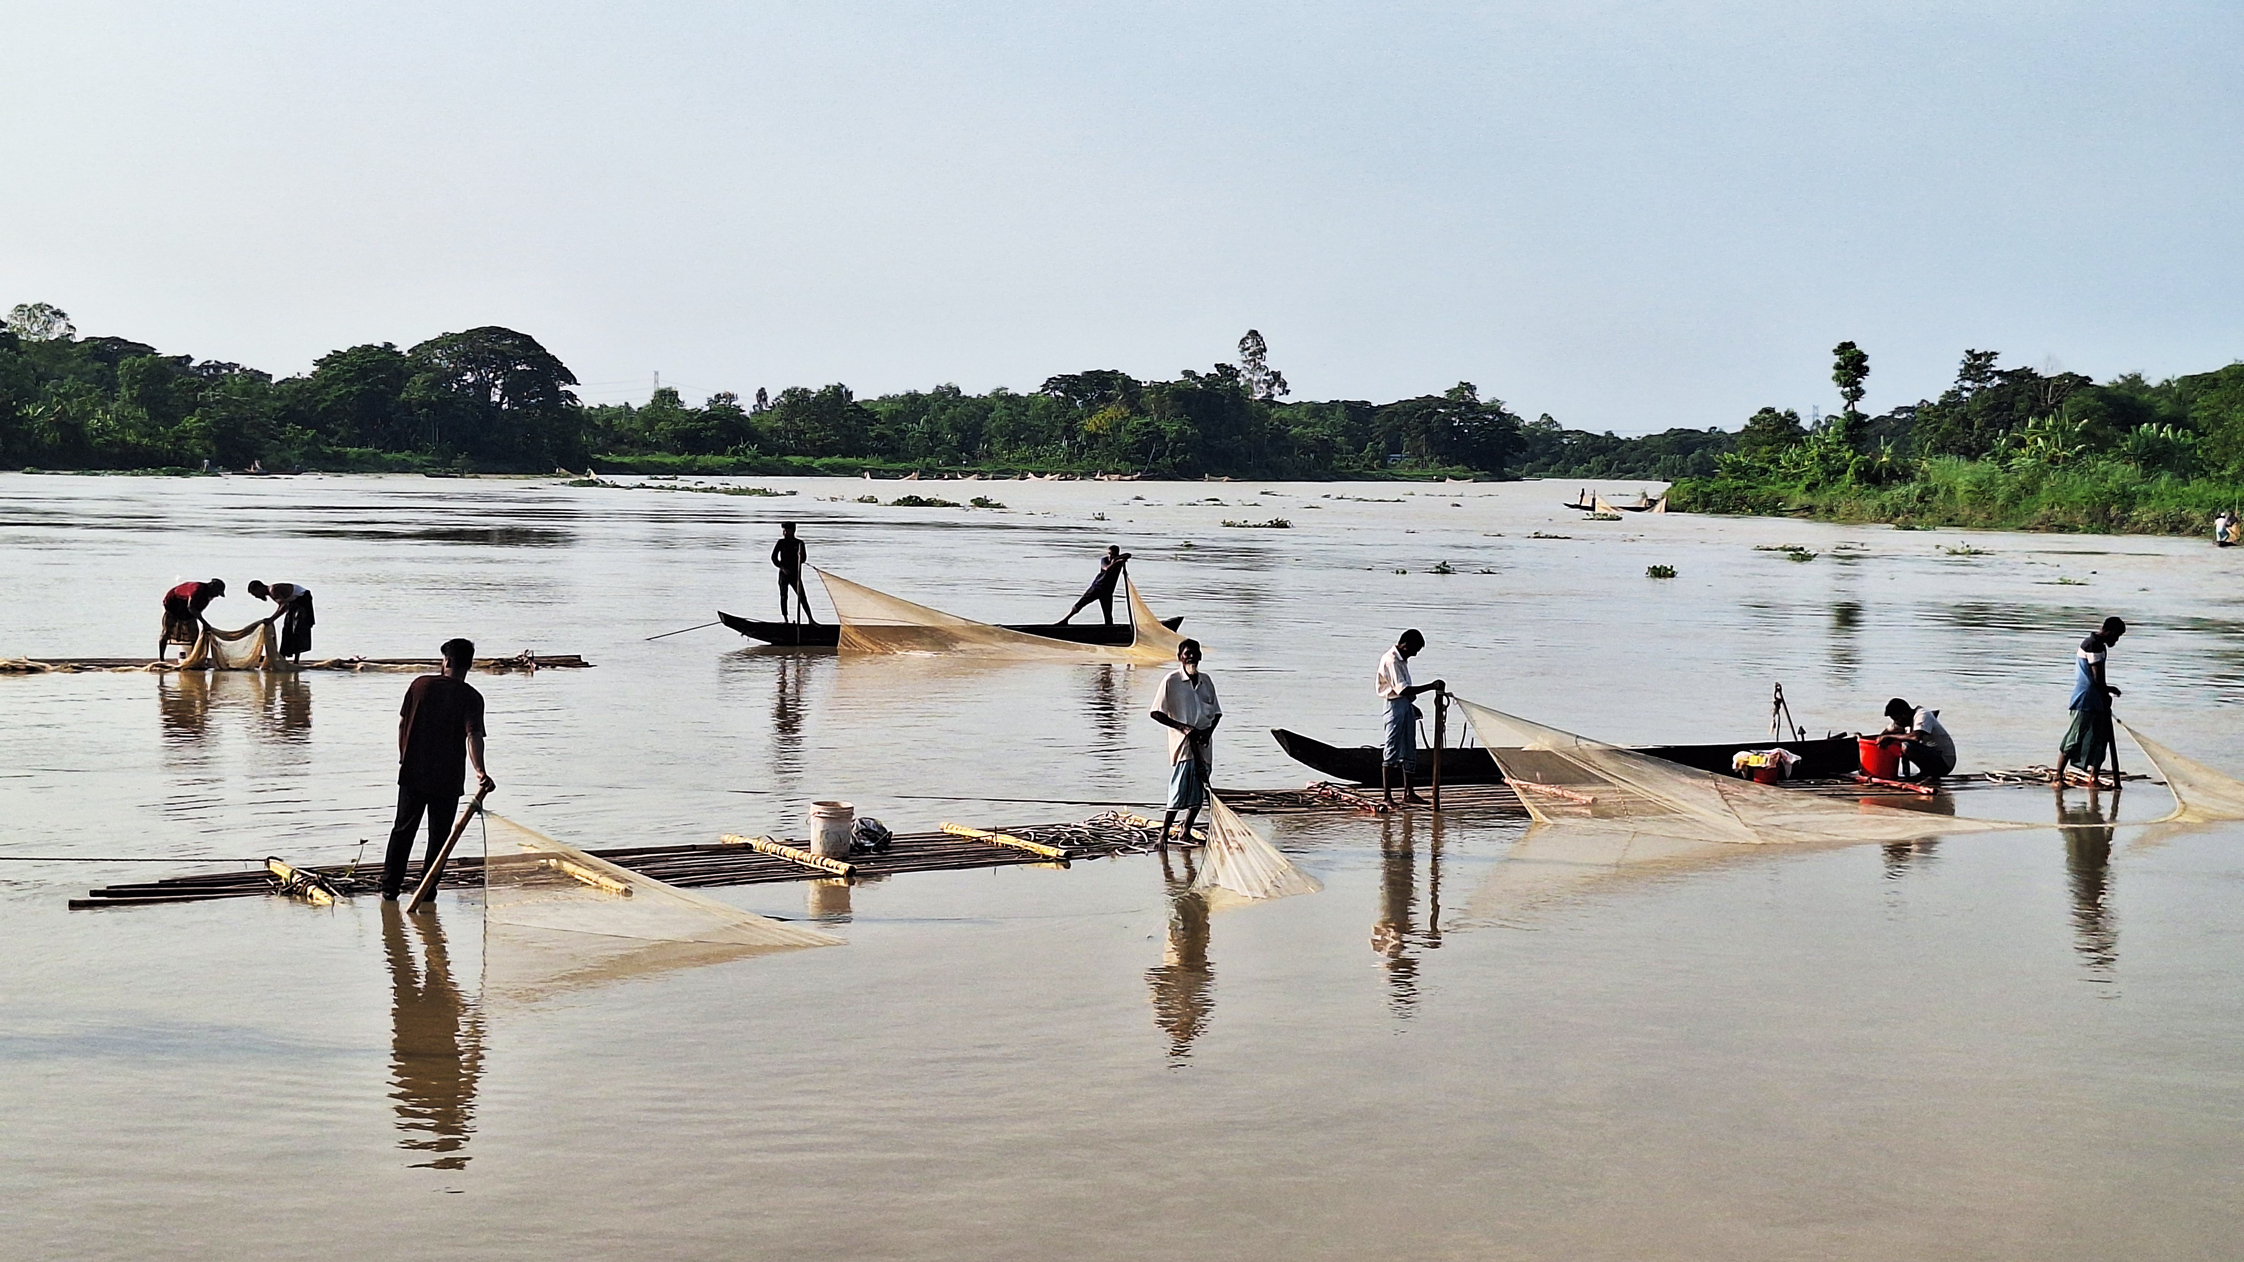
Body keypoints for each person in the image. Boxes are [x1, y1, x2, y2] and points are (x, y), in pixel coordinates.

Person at [382, 638, 496, 901]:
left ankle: (389, 889)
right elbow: (474, 736)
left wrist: (403, 756)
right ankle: (428, 891)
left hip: (413, 771)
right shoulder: (472, 697)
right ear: (468, 665)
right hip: (448, 778)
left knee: (403, 830)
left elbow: (402, 723)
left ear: (447, 661)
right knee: (440, 837)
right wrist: (480, 770)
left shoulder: (420, 685)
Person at [1150, 639, 1220, 845]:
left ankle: (1186, 830)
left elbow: (1216, 713)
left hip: (1203, 743)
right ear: (1179, 657)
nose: (1191, 657)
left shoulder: (1206, 681)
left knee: (1201, 786)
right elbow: (1156, 712)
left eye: (1194, 653)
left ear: (1200, 656)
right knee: (1179, 788)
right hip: (1183, 745)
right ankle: (1163, 833)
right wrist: (1183, 728)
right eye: (1187, 653)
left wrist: (1207, 733)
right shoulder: (1171, 680)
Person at [1375, 629, 1445, 806]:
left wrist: (1411, 706)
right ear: (1405, 645)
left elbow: (1403, 691)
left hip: (1404, 705)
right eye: (1415, 649)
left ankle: (1409, 793)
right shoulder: (1392, 660)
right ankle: (1387, 797)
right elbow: (1402, 690)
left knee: (1409, 748)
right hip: (1394, 707)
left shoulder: (1401, 659)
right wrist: (1431, 686)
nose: (1415, 654)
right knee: (1391, 749)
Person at [2055, 616, 2126, 789]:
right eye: (2116, 636)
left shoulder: (2099, 646)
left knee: (2099, 739)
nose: (2116, 640)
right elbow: (2096, 678)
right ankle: (2057, 777)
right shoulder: (2092, 645)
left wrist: (2106, 691)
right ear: (2109, 631)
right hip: (2085, 699)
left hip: (2097, 699)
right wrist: (2106, 691)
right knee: (2075, 737)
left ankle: (2093, 778)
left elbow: (2099, 680)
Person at [1878, 697, 1957, 783]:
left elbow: (1915, 737)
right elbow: (1884, 734)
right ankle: (1918, 774)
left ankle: (1933, 775)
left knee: (1906, 746)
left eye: (1896, 719)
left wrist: (1891, 737)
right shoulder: (1904, 721)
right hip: (1932, 757)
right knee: (1897, 741)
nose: (1896, 722)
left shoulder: (1922, 715)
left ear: (1904, 714)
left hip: (1944, 762)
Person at [1058, 546, 1132, 625]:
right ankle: (1065, 620)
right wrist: (1115, 562)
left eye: (1113, 554)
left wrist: (1119, 559)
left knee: (1108, 614)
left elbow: (1128, 554)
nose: (1110, 556)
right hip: (1097, 588)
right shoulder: (1105, 560)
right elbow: (1106, 569)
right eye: (1109, 554)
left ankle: (1109, 629)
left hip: (1107, 591)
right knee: (1080, 604)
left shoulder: (1119, 561)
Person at [247, 580, 315, 663]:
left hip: (303, 600)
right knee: (287, 630)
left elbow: (283, 606)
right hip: (294, 602)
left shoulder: (273, 590)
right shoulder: (272, 592)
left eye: (255, 594)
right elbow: (284, 605)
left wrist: (271, 619)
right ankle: (283, 657)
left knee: (298, 630)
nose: (257, 597)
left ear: (259, 588)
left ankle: (296, 661)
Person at [158, 578, 226, 660]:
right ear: (211, 586)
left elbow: (196, 610)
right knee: (167, 632)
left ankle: (193, 658)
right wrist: (204, 623)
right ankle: (161, 659)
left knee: (195, 634)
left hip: (186, 610)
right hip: (173, 605)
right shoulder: (198, 589)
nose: (216, 595)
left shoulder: (207, 596)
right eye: (216, 592)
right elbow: (191, 607)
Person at [771, 523, 816, 624]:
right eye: (784, 530)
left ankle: (810, 619)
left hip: (795, 574)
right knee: (783, 596)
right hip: (783, 574)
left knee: (802, 596)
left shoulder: (799, 543)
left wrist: (801, 555)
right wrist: (781, 567)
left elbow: (803, 559)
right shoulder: (780, 542)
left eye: (787, 530)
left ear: (793, 531)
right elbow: (774, 558)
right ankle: (785, 619)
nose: (785, 532)